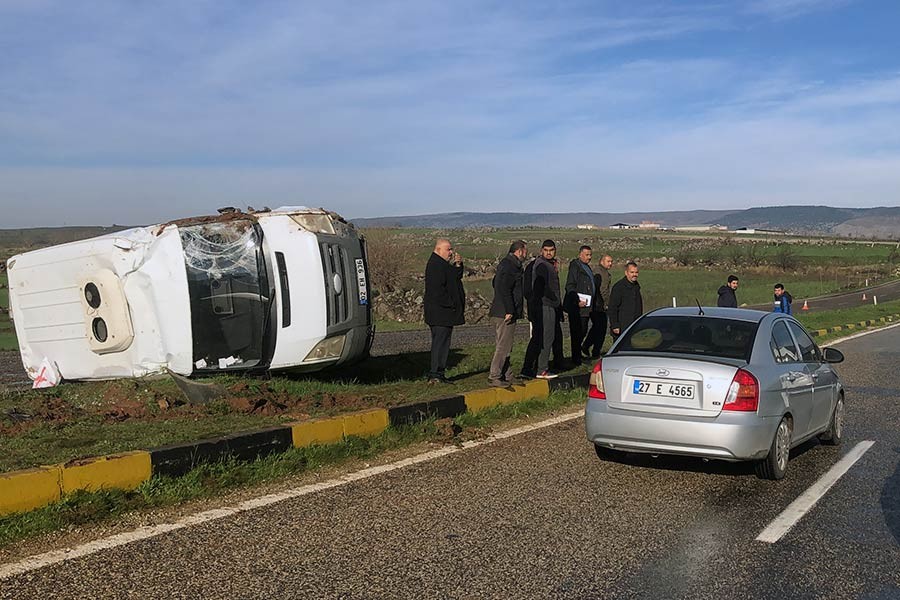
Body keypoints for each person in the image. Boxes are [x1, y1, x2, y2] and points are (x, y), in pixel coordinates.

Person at [423, 239, 465, 383]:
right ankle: (435, 374)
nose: (451, 252)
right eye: (448, 250)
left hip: (443, 313)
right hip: (440, 313)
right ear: (438, 249)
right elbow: (437, 291)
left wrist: (458, 265)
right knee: (440, 344)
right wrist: (451, 303)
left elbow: (454, 277)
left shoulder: (442, 264)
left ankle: (439, 373)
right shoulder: (435, 265)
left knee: (443, 343)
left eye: (451, 249)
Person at [487, 241, 527, 387]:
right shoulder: (509, 266)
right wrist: (509, 309)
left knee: (506, 345)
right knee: (503, 345)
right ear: (519, 251)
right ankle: (495, 375)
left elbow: (496, 283)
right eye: (525, 251)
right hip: (505, 312)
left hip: (504, 310)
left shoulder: (509, 265)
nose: (526, 254)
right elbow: (503, 288)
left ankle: (507, 374)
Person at [531, 240, 562, 379]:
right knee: (546, 337)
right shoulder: (542, 265)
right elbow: (543, 286)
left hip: (549, 304)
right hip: (545, 304)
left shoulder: (550, 264)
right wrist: (554, 298)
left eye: (551, 250)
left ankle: (540, 366)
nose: (549, 253)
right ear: (541, 251)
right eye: (546, 250)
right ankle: (541, 369)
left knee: (548, 336)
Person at [565, 245, 595, 365]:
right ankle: (576, 358)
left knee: (582, 330)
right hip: (578, 306)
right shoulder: (575, 267)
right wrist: (576, 301)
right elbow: (570, 285)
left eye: (590, 255)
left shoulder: (586, 267)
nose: (589, 257)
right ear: (580, 254)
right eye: (587, 255)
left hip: (587, 306)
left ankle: (578, 355)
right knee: (578, 331)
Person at [582, 254, 612, 358]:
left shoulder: (602, 272)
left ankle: (588, 346)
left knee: (597, 327)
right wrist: (606, 303)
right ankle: (594, 350)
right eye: (608, 261)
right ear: (602, 261)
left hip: (596, 304)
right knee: (601, 328)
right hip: (599, 305)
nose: (610, 264)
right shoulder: (601, 273)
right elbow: (603, 290)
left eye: (611, 261)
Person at [608, 261, 643, 340]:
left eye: (636, 272)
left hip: (634, 324)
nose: (635, 274)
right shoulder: (619, 287)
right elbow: (612, 307)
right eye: (632, 272)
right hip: (622, 325)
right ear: (626, 273)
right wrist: (615, 325)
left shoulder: (636, 286)